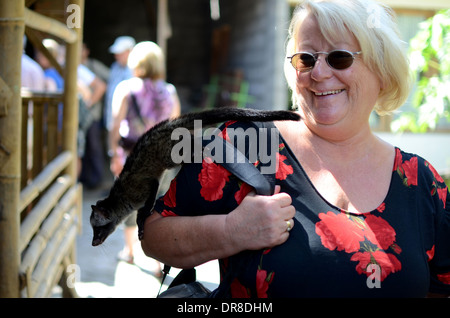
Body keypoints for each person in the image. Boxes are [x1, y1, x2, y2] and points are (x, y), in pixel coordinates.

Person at [141, 0, 450, 297]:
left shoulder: (421, 182)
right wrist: (231, 230)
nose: (318, 73)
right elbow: (154, 235)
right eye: (306, 58)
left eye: (339, 57)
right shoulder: (245, 144)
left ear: (381, 71)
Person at [109, 41, 181, 265]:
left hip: (132, 157)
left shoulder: (126, 89)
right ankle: (158, 260)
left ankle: (130, 251)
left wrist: (113, 154)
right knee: (159, 205)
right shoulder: (169, 91)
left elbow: (115, 124)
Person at [104, 36, 135, 132]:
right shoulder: (115, 67)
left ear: (129, 51)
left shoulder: (136, 70)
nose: (116, 56)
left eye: (120, 53)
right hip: (112, 121)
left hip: (129, 125)